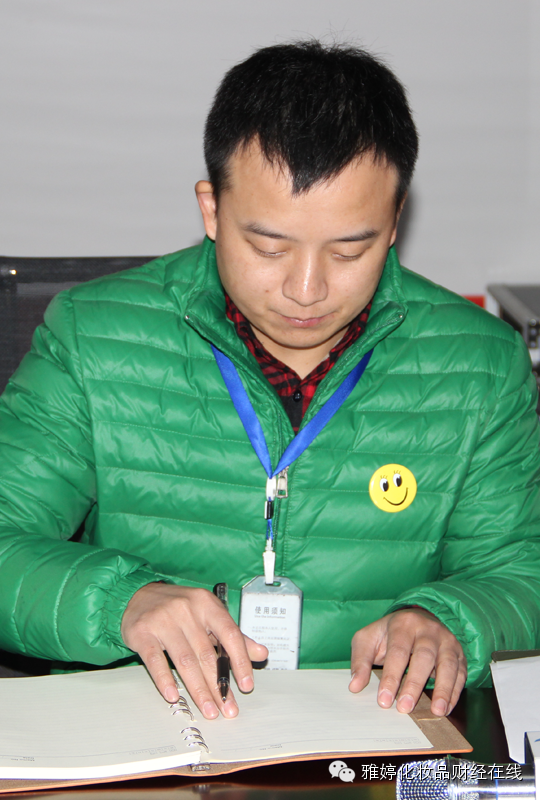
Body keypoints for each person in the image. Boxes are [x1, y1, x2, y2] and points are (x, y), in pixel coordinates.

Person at [0, 40, 539, 724]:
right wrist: (119, 603)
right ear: (211, 210)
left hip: (368, 744)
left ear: (394, 222)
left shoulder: (479, 364)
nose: (306, 290)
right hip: (153, 738)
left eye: (350, 249)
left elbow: (520, 570)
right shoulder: (95, 336)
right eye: (268, 246)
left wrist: (452, 620)